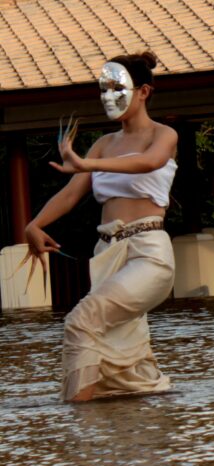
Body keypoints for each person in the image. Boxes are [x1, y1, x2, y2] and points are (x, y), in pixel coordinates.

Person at [24, 52, 179, 402]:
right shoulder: (104, 143)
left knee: (82, 322)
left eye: (117, 87)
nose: (108, 96)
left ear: (144, 91)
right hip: (108, 255)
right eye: (103, 89)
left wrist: (86, 162)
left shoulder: (163, 135)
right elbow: (69, 195)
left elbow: (149, 162)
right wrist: (34, 225)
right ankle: (131, 439)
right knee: (121, 363)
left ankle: (78, 432)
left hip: (148, 254)